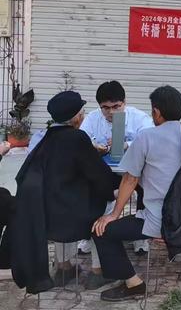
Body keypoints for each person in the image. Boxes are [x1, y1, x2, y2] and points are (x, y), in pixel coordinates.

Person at [92, 85, 181, 302]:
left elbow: (130, 179)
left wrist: (114, 214)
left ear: (156, 112)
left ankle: (133, 284)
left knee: (102, 232)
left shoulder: (147, 137)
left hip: (160, 220)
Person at [0, 91, 115, 294]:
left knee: (68, 199)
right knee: (107, 206)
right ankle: (98, 271)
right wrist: (116, 186)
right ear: (76, 117)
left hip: (45, 216)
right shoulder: (78, 138)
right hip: (71, 216)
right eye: (82, 112)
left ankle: (64, 268)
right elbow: (99, 176)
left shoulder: (42, 138)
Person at [79, 80, 154, 289]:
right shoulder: (93, 118)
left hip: (135, 172)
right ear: (99, 107)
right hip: (107, 171)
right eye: (106, 108)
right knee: (95, 191)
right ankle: (93, 234)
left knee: (145, 191)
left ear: (124, 103)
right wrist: (95, 147)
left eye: (116, 107)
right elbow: (82, 140)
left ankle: (140, 238)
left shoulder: (139, 118)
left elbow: (149, 139)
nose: (111, 112)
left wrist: (128, 144)